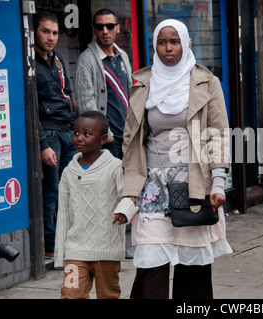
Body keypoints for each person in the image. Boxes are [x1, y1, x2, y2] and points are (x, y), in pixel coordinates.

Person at [112, 19, 232, 299]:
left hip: (194, 186)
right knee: (150, 264)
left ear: (186, 43)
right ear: (155, 46)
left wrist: (217, 183)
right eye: (162, 42)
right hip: (153, 188)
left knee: (193, 270)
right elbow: (131, 144)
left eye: (174, 42)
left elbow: (218, 135)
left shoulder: (206, 82)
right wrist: (130, 194)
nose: (168, 48)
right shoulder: (143, 85)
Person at [54, 111, 136, 299]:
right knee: (70, 295)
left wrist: (125, 212)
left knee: (108, 295)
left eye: (87, 134)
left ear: (104, 139)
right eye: (76, 133)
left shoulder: (115, 167)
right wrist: (62, 256)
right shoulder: (68, 172)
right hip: (76, 251)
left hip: (106, 251)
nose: (79, 138)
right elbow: (64, 216)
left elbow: (129, 195)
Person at [34, 12, 77, 258]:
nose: (51, 37)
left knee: (69, 191)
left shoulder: (57, 58)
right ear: (35, 32)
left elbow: (67, 95)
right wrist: (42, 143)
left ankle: (65, 241)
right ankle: (51, 246)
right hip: (48, 133)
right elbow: (31, 106)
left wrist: (72, 126)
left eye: (54, 32)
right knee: (51, 192)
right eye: (45, 32)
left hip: (65, 132)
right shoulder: (28, 61)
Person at [75, 8, 132, 159]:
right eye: (100, 27)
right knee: (109, 182)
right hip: (107, 138)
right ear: (94, 29)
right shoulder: (86, 60)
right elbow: (85, 103)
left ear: (118, 28)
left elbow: (130, 93)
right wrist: (105, 133)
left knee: (129, 180)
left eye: (110, 26)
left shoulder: (123, 56)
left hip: (127, 134)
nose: (105, 31)